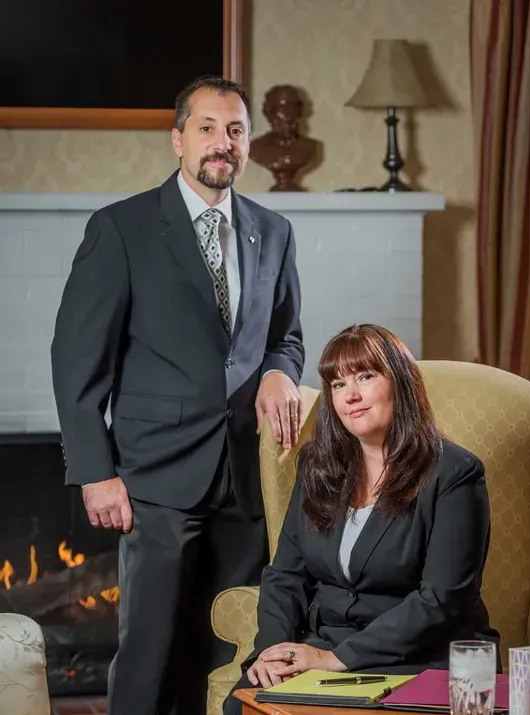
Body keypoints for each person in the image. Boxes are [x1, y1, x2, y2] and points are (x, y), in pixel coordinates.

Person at [51, 75, 305, 715]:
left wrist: (279, 369)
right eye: (208, 128)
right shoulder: (122, 229)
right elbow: (78, 359)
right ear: (178, 139)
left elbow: (287, 338)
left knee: (230, 654)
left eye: (236, 130)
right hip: (155, 477)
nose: (224, 143)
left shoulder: (273, 231)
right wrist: (95, 472)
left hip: (246, 479)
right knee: (151, 652)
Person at [224, 323, 500, 715]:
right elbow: (286, 574)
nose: (350, 395)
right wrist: (274, 650)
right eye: (337, 384)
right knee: (241, 706)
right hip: (323, 645)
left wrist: (335, 659)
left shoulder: (454, 474)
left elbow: (441, 600)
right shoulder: (318, 467)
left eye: (365, 377)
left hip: (423, 655)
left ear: (399, 383)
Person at [249, 84, 319, 191]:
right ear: (269, 113)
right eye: (282, 107)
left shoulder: (310, 147)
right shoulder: (256, 147)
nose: (289, 115)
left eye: (293, 107)